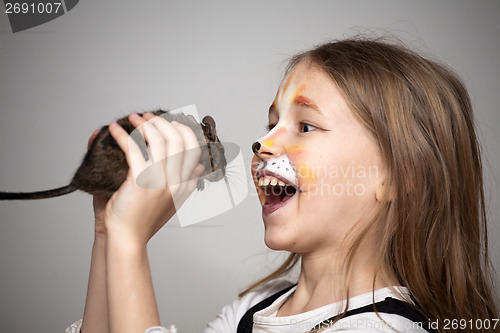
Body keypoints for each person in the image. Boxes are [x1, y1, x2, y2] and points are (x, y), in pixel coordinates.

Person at [66, 37, 498, 333]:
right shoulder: (256, 308)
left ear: (400, 177)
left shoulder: (382, 328)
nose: (261, 144)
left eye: (305, 126)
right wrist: (108, 233)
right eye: (270, 125)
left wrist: (130, 242)